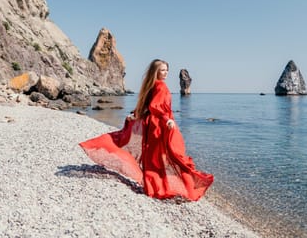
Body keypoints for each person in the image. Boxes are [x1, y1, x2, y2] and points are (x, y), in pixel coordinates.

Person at [79, 59, 213, 201]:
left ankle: (155, 186)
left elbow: (147, 105)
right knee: (170, 156)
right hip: (160, 126)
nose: (165, 72)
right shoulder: (160, 86)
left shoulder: (151, 85)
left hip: (154, 125)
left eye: (167, 70)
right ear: (155, 71)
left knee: (156, 157)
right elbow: (155, 107)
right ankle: (176, 187)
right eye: (162, 70)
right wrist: (166, 119)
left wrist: (136, 114)